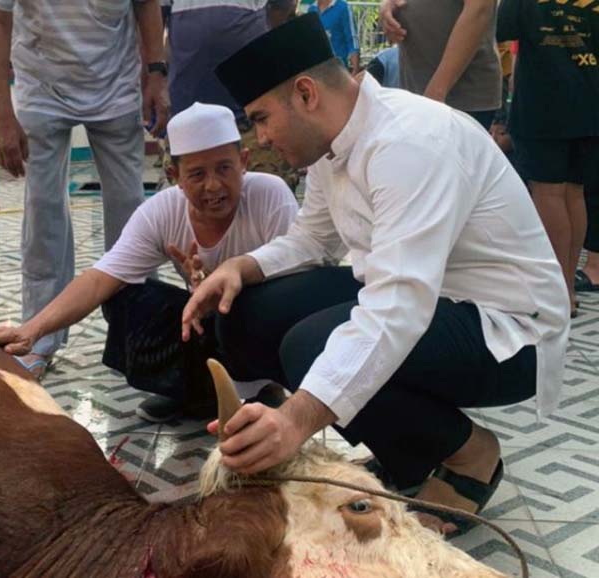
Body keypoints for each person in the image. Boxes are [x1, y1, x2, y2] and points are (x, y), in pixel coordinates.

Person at [182, 13, 569, 536]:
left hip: (508, 330)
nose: (264, 138)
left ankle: (470, 455)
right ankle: (408, 454)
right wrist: (237, 267)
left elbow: (397, 307)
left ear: (305, 93)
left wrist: (296, 419)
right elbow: (313, 239)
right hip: (429, 301)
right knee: (249, 312)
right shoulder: (328, 143)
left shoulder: (411, 141)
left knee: (311, 347)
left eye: (262, 118)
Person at [0, 103, 298, 423]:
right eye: (196, 174)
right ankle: (192, 393)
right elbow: (99, 278)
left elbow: (297, 283)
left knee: (251, 310)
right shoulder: (161, 211)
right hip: (203, 323)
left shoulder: (271, 196)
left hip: (257, 318)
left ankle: (262, 389)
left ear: (244, 161)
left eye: (224, 168)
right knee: (126, 299)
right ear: (174, 175)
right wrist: (31, 330)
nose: (213, 185)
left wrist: (225, 286)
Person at [0, 0, 170, 378]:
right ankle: (39, 338)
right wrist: (2, 115)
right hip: (41, 88)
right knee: (43, 214)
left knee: (131, 215)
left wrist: (156, 75)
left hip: (116, 87)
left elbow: (147, 6)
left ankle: (140, 335)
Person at [497, 0, 599, 317]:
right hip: (590, 100)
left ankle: (556, 293)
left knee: (549, 192)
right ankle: (565, 289)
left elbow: (498, 31)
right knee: (574, 192)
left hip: (543, 103)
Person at [165, 0, 300, 191]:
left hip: (253, 115)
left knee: (267, 194)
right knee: (194, 202)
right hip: (187, 109)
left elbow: (282, 7)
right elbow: (153, 15)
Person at [380, 0, 501, 130]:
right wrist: (388, 5)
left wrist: (436, 93)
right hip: (418, 94)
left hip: (459, 99)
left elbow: (479, 10)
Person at [308, 0, 360, 72]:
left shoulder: (343, 7)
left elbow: (352, 39)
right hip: (317, 69)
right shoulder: (311, 9)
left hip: (339, 68)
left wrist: (355, 69)